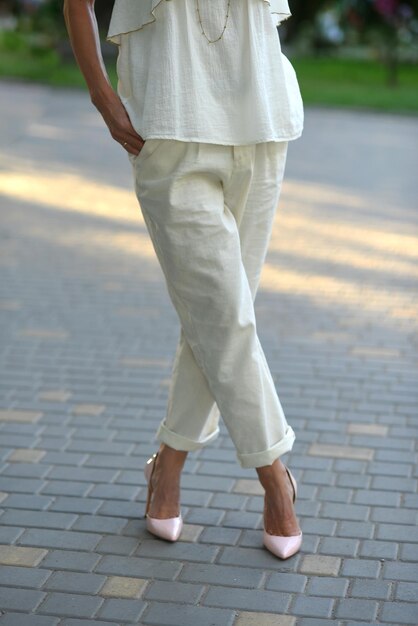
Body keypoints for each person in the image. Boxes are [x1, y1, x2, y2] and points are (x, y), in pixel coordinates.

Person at [63, 0, 304, 559]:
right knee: (223, 316)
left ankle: (167, 465)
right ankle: (276, 477)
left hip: (262, 123)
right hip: (168, 126)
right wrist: (104, 99)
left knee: (223, 321)